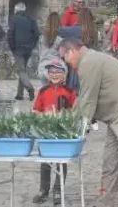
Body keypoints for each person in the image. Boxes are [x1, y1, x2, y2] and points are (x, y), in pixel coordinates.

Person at [58, 39, 118, 207]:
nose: (65, 62)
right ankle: (105, 199)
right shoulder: (91, 60)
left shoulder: (89, 62)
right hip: (116, 114)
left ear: (71, 51)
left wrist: (74, 128)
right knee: (111, 160)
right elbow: (84, 96)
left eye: (64, 57)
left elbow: (87, 101)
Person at [32, 60, 76, 205]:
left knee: (61, 163)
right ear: (48, 75)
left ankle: (58, 190)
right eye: (51, 72)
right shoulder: (43, 91)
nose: (54, 74)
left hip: (63, 132)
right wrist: (43, 117)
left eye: (58, 72)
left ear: (64, 75)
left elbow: (75, 111)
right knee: (45, 162)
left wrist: (65, 115)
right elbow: (36, 110)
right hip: (45, 132)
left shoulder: (70, 92)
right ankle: (43, 190)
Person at [8, 2, 40, 101]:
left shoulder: (13, 19)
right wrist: (32, 45)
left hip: (18, 48)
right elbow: (37, 34)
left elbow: (10, 34)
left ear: (16, 10)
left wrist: (12, 47)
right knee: (23, 70)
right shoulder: (31, 19)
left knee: (21, 70)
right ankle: (19, 94)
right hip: (28, 48)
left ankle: (29, 87)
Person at [37, 12, 63, 87]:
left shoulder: (42, 38)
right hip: (55, 69)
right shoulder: (59, 40)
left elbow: (40, 54)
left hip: (42, 68)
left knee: (46, 92)